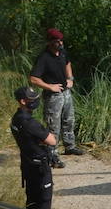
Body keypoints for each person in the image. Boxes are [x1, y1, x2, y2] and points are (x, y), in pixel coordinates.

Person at [29, 27, 84, 169]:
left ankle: (69, 146)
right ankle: (52, 155)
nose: (60, 43)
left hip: (66, 92)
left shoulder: (62, 52)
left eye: (61, 40)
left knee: (69, 120)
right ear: (49, 42)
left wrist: (70, 78)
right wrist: (50, 87)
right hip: (53, 96)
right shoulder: (44, 58)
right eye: (56, 41)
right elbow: (34, 79)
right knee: (53, 126)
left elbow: (68, 63)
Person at [10, 86, 56, 209]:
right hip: (39, 167)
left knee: (31, 199)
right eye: (32, 99)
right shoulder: (30, 123)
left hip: (27, 164)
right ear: (23, 101)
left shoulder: (16, 118)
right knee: (44, 200)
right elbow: (51, 140)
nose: (36, 101)